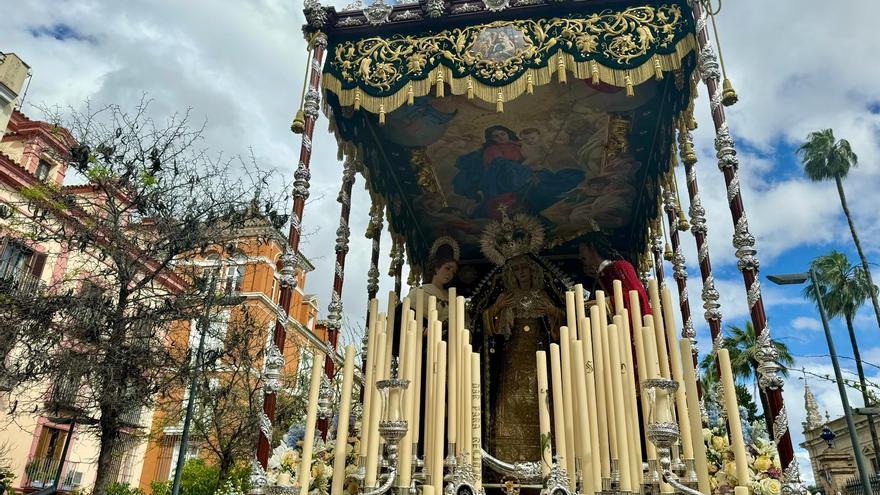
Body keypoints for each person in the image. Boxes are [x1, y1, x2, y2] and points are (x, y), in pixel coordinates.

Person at [480, 254, 564, 463]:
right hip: (513, 355)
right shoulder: (508, 296)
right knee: (511, 399)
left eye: (524, 268)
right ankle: (507, 458)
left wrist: (553, 311)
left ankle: (541, 456)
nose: (521, 273)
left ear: (532, 271)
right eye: (516, 269)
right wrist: (497, 309)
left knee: (538, 396)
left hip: (538, 354)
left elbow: (561, 318)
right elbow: (488, 323)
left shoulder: (541, 294)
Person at [577, 236, 650, 317]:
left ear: (592, 247)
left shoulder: (620, 266)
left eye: (582, 251)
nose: (580, 256)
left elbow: (636, 296)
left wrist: (606, 303)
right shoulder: (599, 276)